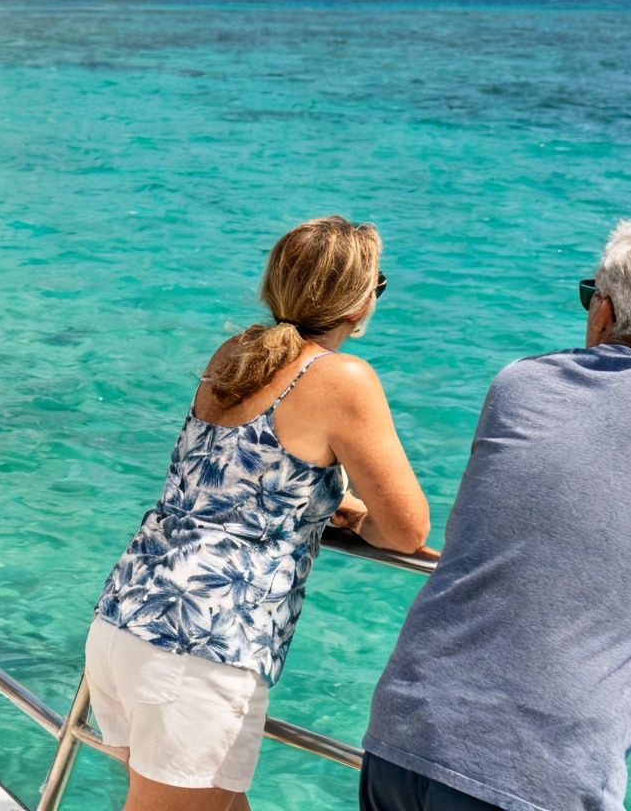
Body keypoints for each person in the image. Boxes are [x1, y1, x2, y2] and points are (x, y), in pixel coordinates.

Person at [361, 219, 631, 811]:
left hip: (405, 731)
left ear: (605, 310)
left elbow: (547, 529)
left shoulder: (520, 383)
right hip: (535, 771)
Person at [88, 216, 432, 811]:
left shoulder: (237, 352)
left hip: (130, 615)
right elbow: (407, 529)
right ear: (358, 302)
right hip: (202, 642)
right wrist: (357, 521)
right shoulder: (343, 378)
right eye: (378, 285)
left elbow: (241, 475)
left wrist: (323, 505)